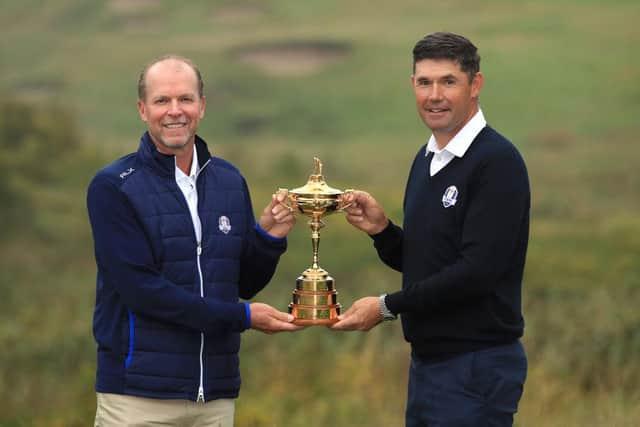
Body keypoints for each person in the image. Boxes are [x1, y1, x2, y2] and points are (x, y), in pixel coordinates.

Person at [87, 54, 301, 426]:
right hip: (137, 398)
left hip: (215, 398)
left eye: (185, 99)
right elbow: (142, 291)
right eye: (161, 101)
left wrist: (268, 238)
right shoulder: (113, 187)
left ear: (201, 106)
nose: (175, 111)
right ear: (142, 109)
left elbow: (243, 283)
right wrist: (243, 317)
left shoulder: (230, 181)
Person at [332, 32, 530, 426]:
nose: (434, 95)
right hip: (429, 364)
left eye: (448, 82)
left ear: (475, 85)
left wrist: (387, 306)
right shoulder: (426, 160)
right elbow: (429, 262)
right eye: (424, 82)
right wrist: (383, 231)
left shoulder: (497, 162)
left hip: (476, 365)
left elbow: (476, 272)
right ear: (412, 86)